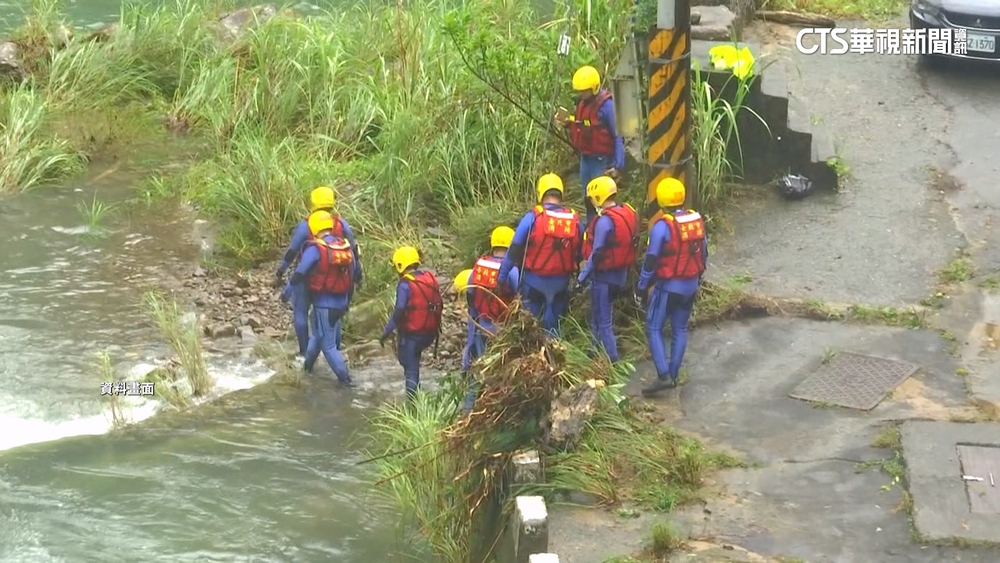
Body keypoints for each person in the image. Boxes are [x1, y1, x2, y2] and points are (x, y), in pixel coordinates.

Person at [636, 178, 707, 395]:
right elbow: (704, 251)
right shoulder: (696, 220)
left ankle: (663, 375)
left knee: (654, 327)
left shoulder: (662, 227)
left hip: (668, 286)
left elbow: (651, 260)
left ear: (662, 201)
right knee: (680, 329)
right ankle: (674, 375)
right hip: (691, 284)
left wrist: (641, 287)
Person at [276, 186, 363, 355]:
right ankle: (334, 348)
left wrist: (281, 271)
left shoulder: (306, 225)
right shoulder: (340, 223)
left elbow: (292, 251)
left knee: (300, 312)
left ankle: (304, 353)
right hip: (333, 278)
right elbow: (353, 249)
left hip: (307, 275)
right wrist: (357, 275)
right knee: (332, 316)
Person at [498, 173, 581, 337]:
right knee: (554, 326)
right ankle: (555, 355)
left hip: (533, 284)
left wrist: (501, 277)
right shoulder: (575, 220)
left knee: (531, 328)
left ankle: (535, 356)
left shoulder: (533, 217)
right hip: (561, 285)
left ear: (541, 193)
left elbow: (514, 250)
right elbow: (579, 253)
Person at [282, 211, 356, 386]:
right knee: (317, 334)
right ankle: (307, 367)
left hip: (325, 304)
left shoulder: (316, 249)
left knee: (328, 346)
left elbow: (301, 271)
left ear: (314, 228)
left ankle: (346, 381)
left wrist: (287, 291)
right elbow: (353, 274)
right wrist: (348, 299)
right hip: (342, 300)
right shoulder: (344, 246)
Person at [555, 65, 626, 226]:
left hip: (601, 161)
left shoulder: (607, 106)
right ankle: (591, 231)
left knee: (602, 200)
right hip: (586, 159)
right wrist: (567, 123)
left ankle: (607, 230)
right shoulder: (583, 103)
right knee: (588, 199)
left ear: (593, 88)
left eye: (584, 90)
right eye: (579, 90)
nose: (581, 94)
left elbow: (618, 136)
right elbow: (583, 125)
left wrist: (618, 165)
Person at [577, 176, 638, 362]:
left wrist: (581, 278)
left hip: (605, 279)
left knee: (604, 322)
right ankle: (594, 350)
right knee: (596, 317)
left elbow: (597, 253)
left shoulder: (605, 221)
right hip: (620, 275)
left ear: (597, 197)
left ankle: (613, 360)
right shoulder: (626, 212)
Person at [461, 226, 520, 412]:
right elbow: (520, 297)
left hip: (481, 325)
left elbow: (470, 292)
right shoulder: (511, 271)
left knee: (478, 368)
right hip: (504, 330)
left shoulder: (479, 266)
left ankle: (468, 410)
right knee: (502, 371)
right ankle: (496, 409)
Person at [380, 246, 444, 400]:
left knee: (410, 370)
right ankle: (418, 396)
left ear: (400, 265)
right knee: (413, 365)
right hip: (430, 333)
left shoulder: (405, 284)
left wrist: (386, 332)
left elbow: (400, 309)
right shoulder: (429, 277)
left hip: (412, 334)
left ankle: (413, 408)